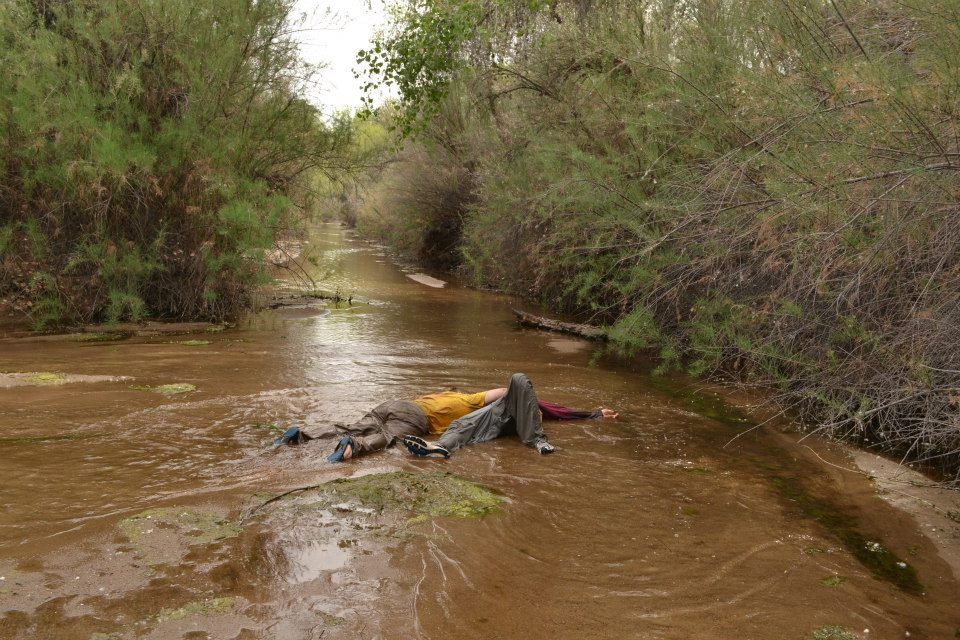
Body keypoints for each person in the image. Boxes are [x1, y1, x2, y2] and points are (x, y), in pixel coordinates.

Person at [273, 373, 617, 462]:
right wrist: (583, 414)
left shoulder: (439, 395)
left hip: (392, 403)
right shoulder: (466, 401)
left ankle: (303, 433)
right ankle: (353, 449)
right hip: (413, 418)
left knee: (353, 422)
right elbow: (502, 392)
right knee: (385, 437)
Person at [402, 372, 617, 458]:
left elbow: (557, 411)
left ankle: (539, 441)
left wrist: (594, 414)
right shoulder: (474, 410)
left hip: (517, 418)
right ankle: (440, 448)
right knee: (462, 422)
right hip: (497, 423)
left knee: (518, 378)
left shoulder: (516, 398)